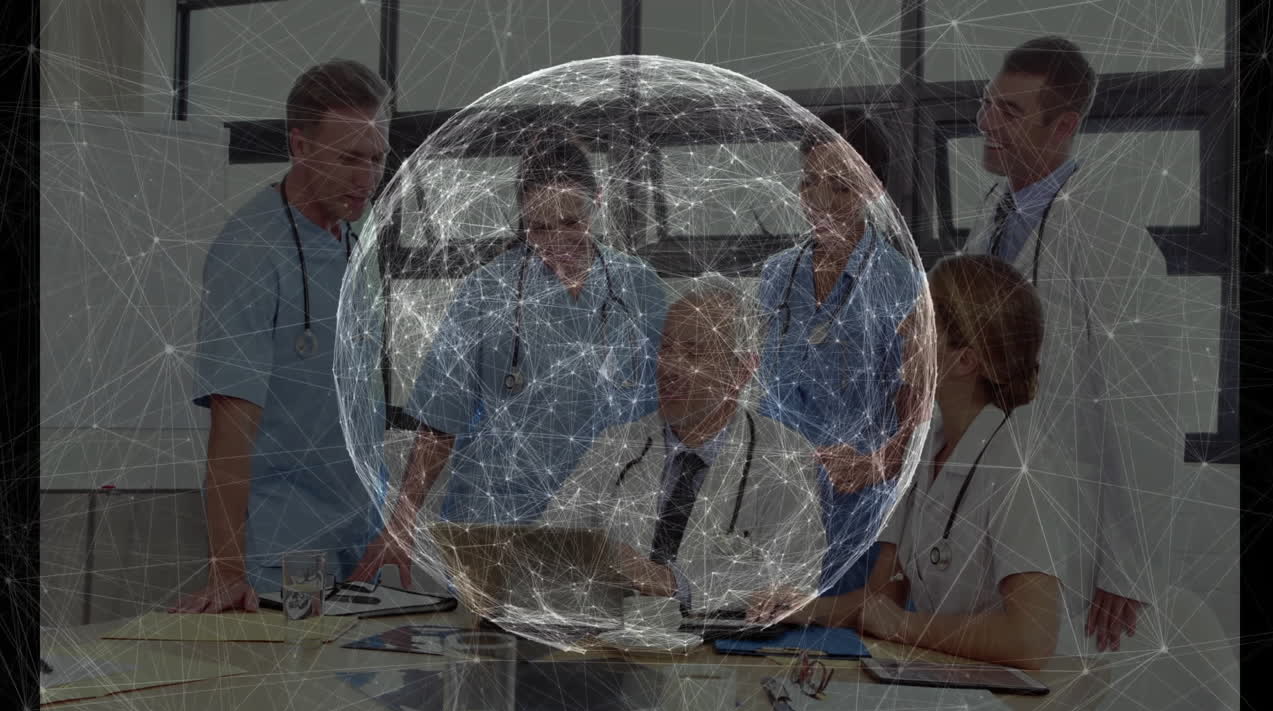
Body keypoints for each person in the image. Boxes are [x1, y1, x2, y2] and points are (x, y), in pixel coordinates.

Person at [963, 36, 1177, 652]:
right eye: (987, 103)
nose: (986, 123)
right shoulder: (993, 213)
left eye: (1009, 112)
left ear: (1064, 126)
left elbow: (1143, 409)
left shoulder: (1107, 232)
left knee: (1047, 681)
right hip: (989, 499)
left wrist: (1127, 566)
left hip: (1065, 520)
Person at [376, 136, 667, 563]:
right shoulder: (486, 291)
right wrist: (401, 523)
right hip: (495, 519)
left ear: (597, 202)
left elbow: (670, 407)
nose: (557, 242)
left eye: (571, 222)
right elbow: (441, 418)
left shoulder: (639, 287)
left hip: (605, 521)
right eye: (540, 228)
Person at [172, 60, 393, 612]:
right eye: (349, 158)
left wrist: (391, 522)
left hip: (362, 538)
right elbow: (231, 428)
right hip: (287, 548)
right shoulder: (250, 251)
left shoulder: (353, 241)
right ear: (300, 146)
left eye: (376, 158)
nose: (366, 177)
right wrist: (228, 571)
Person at [807, 255, 1083, 671]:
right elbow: (881, 600)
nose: (903, 328)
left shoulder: (1022, 464)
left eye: (921, 319)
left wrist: (904, 626)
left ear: (965, 360)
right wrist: (795, 609)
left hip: (1032, 696)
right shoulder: (927, 448)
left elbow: (1030, 639)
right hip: (953, 682)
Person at [544, 276, 826, 620]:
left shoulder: (784, 454)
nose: (669, 366)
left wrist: (673, 582)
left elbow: (795, 578)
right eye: (666, 349)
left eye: (693, 353)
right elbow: (549, 545)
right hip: (610, 635)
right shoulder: (617, 444)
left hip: (718, 646)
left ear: (741, 371)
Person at [757, 108, 930, 599]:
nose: (820, 201)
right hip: (776, 500)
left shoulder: (903, 285)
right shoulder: (776, 276)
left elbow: (918, 411)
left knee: (841, 631)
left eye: (840, 187)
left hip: (857, 508)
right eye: (810, 183)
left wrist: (877, 464)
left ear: (873, 191)